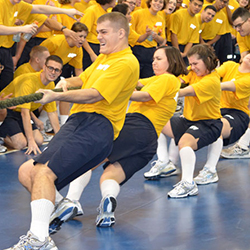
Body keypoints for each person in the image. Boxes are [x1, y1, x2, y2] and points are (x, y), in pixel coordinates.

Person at [4, 12, 139, 250]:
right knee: (27, 171)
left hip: (97, 125)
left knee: (44, 173)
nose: (98, 37)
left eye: (103, 32)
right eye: (98, 33)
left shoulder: (126, 62)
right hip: (79, 122)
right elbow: (84, 79)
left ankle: (39, 239)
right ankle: (61, 207)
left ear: (121, 33)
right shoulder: (103, 59)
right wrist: (66, 81)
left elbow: (95, 94)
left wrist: (58, 94)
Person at [95, 46, 188, 227]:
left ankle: (70, 199)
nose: (154, 62)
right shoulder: (155, 79)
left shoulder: (168, 79)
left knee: (91, 158)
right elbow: (135, 82)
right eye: (153, 58)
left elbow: (144, 96)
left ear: (172, 61)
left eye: (159, 59)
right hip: (147, 143)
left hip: (136, 126)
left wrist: (115, 91)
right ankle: (108, 201)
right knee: (110, 174)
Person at [144, 44, 222, 198]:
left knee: (184, 144)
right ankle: (165, 162)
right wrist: (140, 83)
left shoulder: (211, 81)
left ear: (207, 61)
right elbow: (174, 79)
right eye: (190, 64)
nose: (191, 67)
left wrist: (155, 91)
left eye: (195, 64)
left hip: (208, 123)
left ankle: (188, 184)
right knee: (155, 121)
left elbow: (183, 91)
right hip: (188, 120)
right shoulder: (193, 74)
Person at [0, 0, 82, 91]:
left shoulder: (19, 5)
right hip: (7, 48)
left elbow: (40, 8)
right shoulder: (3, 3)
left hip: (6, 49)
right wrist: (22, 28)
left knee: (6, 82)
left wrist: (65, 11)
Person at [193, 53, 250, 184]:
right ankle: (168, 162)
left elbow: (222, 86)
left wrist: (197, 87)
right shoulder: (230, 65)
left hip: (238, 114)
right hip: (218, 109)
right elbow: (213, 75)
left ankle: (210, 170)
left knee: (217, 127)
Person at [0, 55, 62, 155]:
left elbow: (52, 113)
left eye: (56, 70)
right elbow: (24, 113)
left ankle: (18, 134)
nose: (53, 72)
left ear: (60, 73)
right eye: (50, 68)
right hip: (8, 112)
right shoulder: (29, 81)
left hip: (21, 112)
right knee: (21, 143)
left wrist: (60, 139)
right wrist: (30, 141)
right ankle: (2, 135)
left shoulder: (51, 84)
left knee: (39, 140)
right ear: (44, 67)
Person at [40, 21, 88, 125]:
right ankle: (42, 123)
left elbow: (79, 71)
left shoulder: (78, 49)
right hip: (42, 71)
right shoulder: (55, 41)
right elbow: (38, 58)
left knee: (66, 90)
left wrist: (84, 86)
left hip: (55, 73)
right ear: (71, 34)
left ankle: (63, 123)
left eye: (84, 37)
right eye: (80, 36)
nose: (82, 40)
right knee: (55, 94)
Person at [222, 7, 250, 157]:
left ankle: (243, 146)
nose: (237, 29)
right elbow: (245, 60)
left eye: (240, 25)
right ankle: (244, 145)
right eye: (235, 26)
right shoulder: (242, 36)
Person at [131, 0, 166, 78]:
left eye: (161, 2)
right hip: (137, 49)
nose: (158, 4)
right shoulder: (138, 14)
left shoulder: (161, 19)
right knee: (133, 78)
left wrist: (155, 36)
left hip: (151, 52)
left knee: (147, 79)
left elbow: (162, 39)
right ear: (150, 2)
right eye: (155, 1)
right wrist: (145, 35)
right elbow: (130, 32)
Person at [80, 0, 117, 69]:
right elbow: (81, 35)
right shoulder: (92, 11)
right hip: (90, 47)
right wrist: (92, 54)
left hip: (101, 47)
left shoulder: (107, 12)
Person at [168, 0, 203, 65]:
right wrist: (177, 52)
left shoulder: (196, 22)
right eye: (195, 4)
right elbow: (173, 34)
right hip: (172, 46)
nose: (197, 7)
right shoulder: (178, 14)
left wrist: (184, 54)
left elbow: (191, 41)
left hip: (185, 49)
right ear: (189, 3)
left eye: (199, 6)